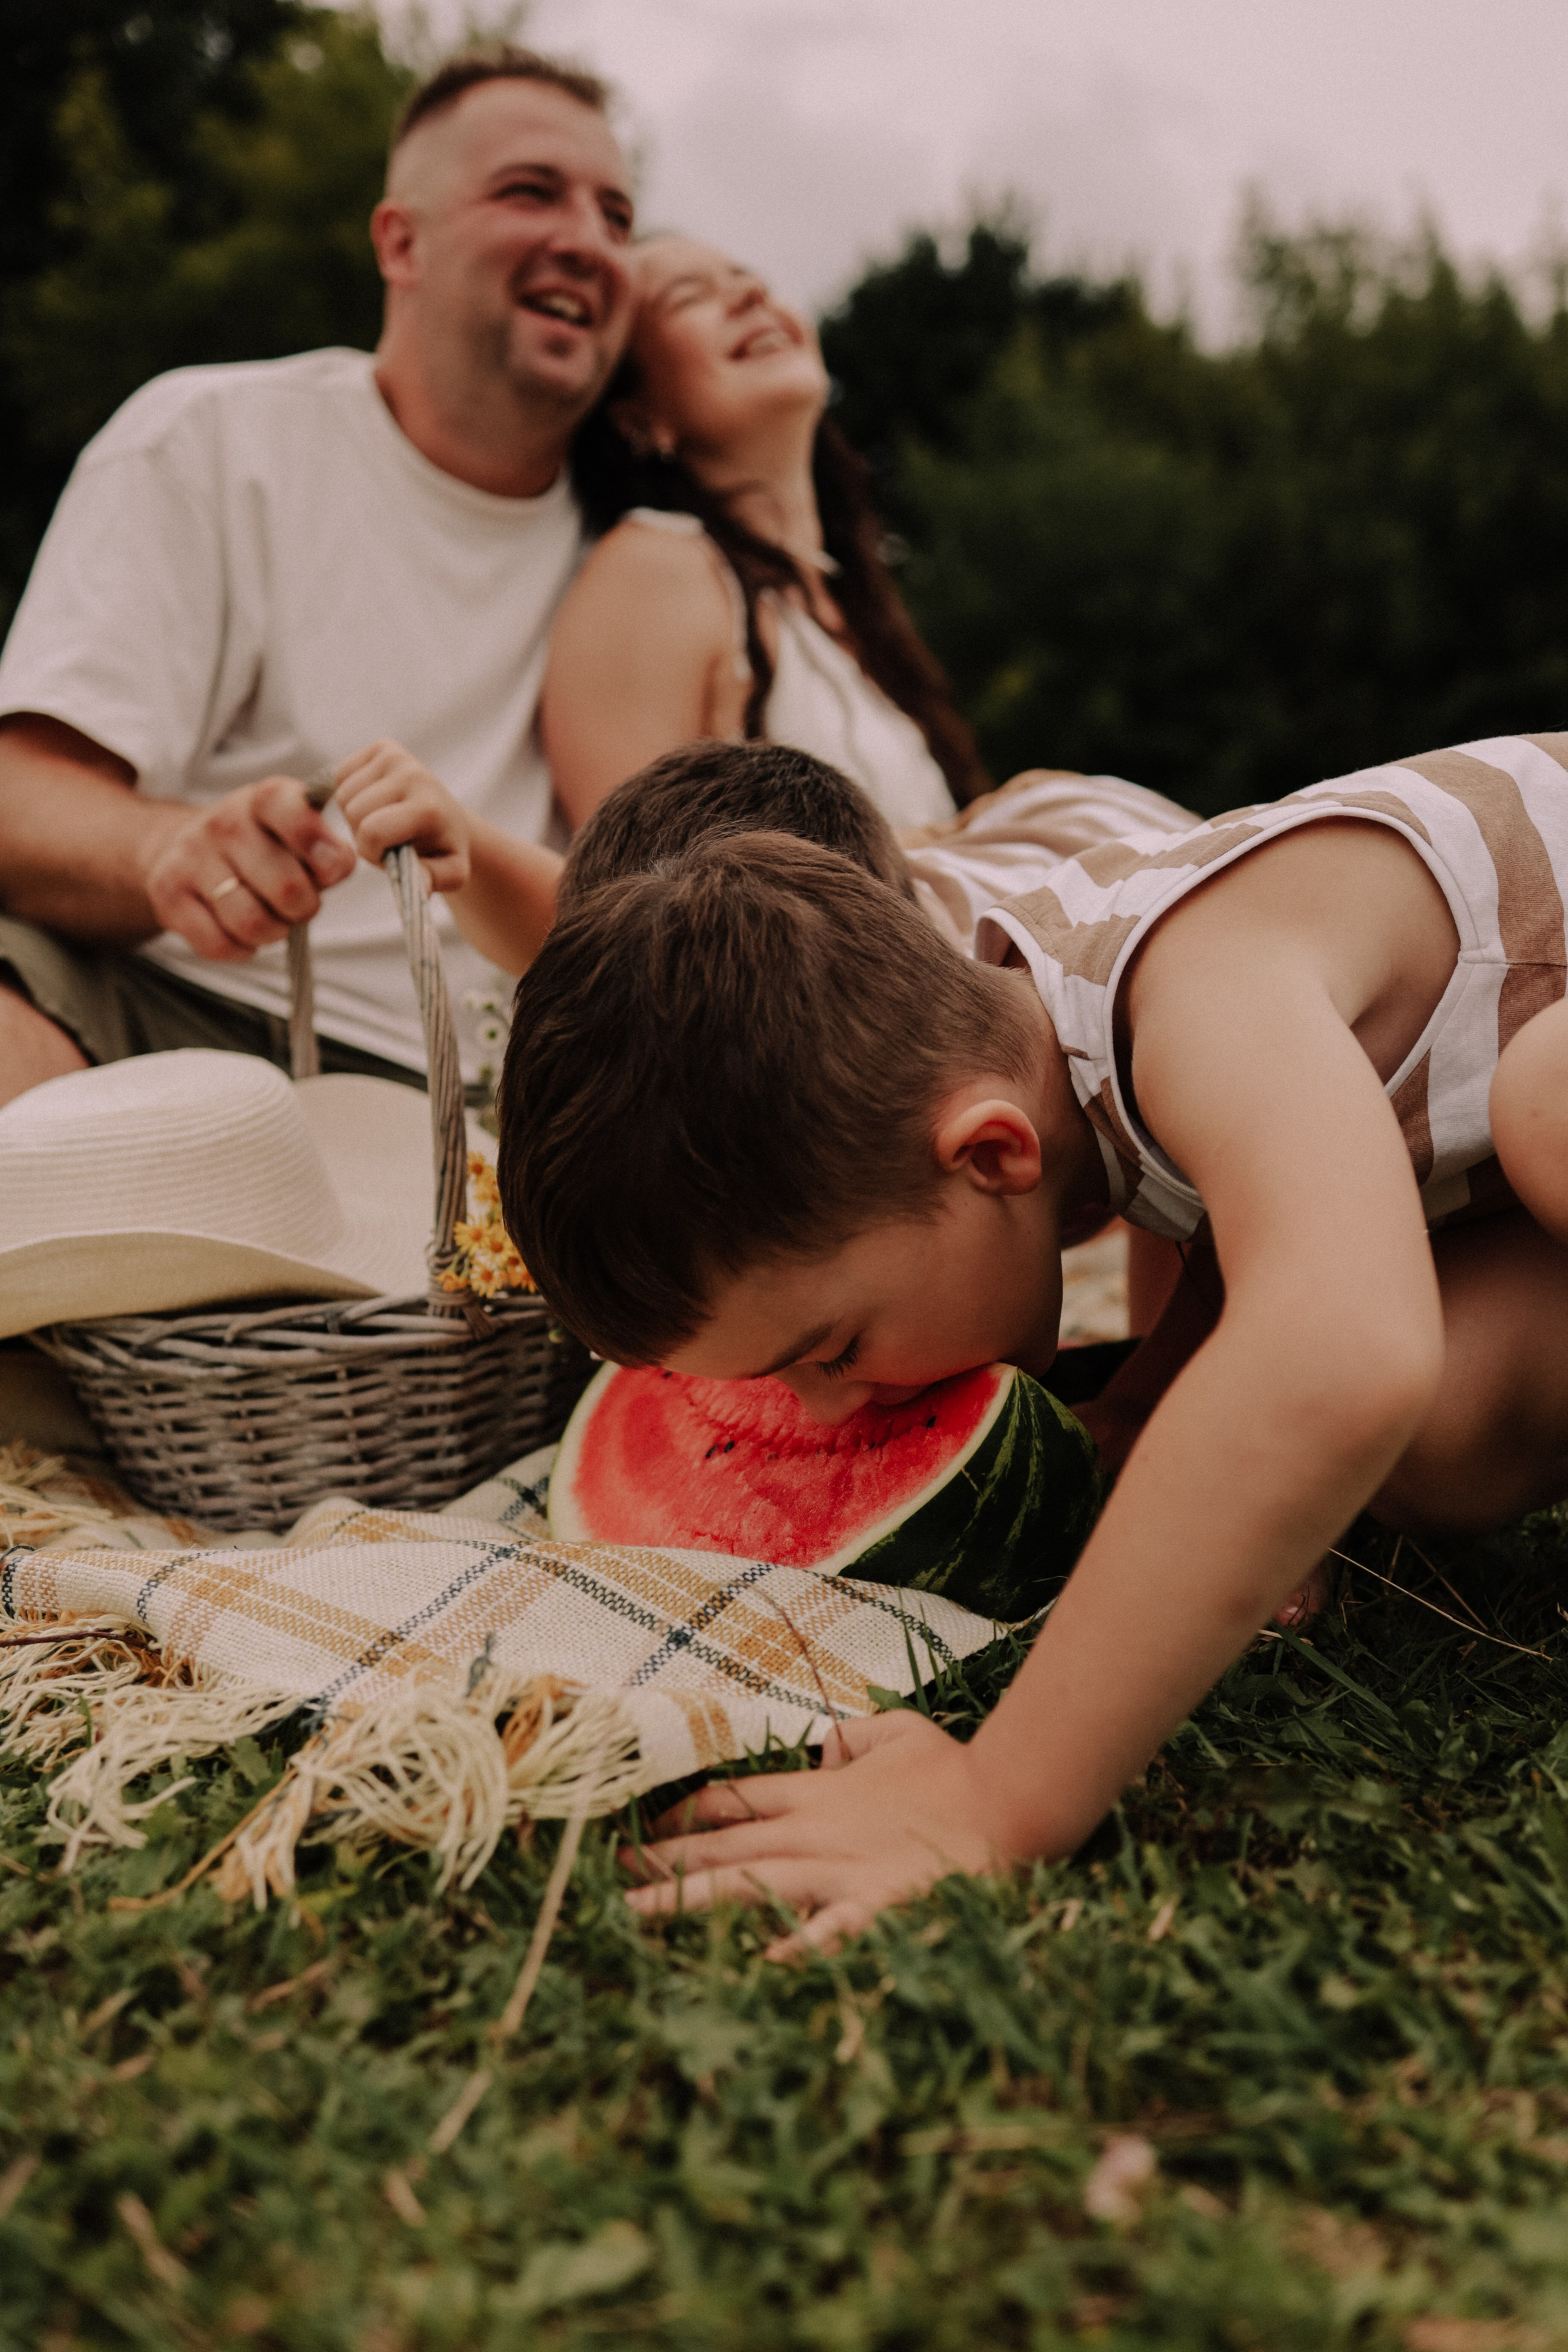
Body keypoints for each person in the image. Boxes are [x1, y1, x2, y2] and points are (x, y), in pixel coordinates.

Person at [493, 730, 1568, 1957]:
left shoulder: (1195, 989)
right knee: (1439, 1433)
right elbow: (1250, 1200)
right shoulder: (1038, 999)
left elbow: (1342, 1348)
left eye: (830, 1345)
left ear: (990, 1155)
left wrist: (995, 1795)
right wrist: (1150, 1404)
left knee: (1547, 1101)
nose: (831, 1409)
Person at [0, 45, 636, 1112]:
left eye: (618, 216)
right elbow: (17, 795)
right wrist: (171, 849)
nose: (587, 241)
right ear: (402, 242)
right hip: (163, 1011)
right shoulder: (213, 440)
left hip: (497, 1086)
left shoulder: (641, 553)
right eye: (532, 193)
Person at [538, 232, 989, 832]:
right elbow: (632, 897)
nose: (750, 294)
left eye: (751, 278)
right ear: (638, 417)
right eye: (688, 296)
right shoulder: (655, 569)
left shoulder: (849, 608)